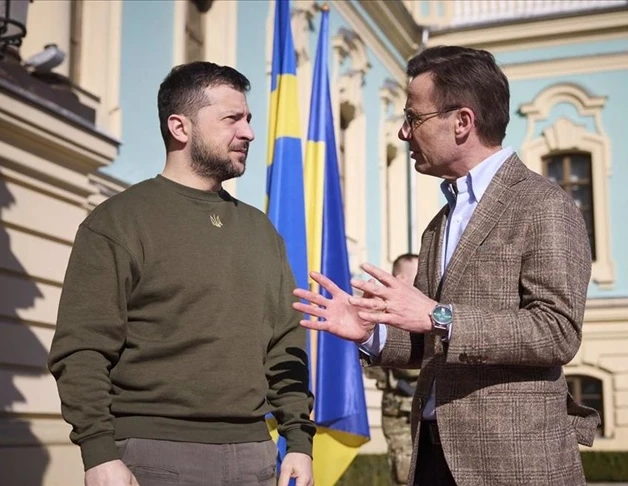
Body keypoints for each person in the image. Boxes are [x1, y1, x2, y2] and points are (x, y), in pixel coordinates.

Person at [292, 46, 600, 486]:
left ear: (462, 122)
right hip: (433, 453)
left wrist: (440, 316)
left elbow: (557, 332)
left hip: (511, 464)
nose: (404, 132)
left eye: (413, 117)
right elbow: (432, 341)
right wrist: (371, 333)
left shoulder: (543, 204)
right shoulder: (440, 223)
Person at [48, 61, 315, 486]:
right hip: (152, 454)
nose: (248, 132)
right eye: (232, 119)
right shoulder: (119, 221)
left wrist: (298, 440)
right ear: (180, 127)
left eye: (248, 119)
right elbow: (82, 348)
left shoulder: (262, 231)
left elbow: (286, 344)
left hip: (256, 455)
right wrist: (98, 452)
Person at [375, 254, 420, 486]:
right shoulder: (383, 314)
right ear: (401, 278)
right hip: (401, 412)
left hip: (428, 411)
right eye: (418, 274)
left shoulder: (423, 310)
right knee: (406, 476)